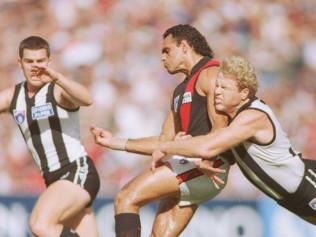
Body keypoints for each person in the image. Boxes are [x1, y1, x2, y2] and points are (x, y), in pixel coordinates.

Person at [91, 24, 233, 237]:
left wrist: (208, 158)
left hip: (207, 166)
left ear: (184, 46)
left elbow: (221, 124)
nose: (163, 58)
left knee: (126, 197)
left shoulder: (210, 73)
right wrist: (114, 142)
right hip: (196, 168)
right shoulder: (179, 91)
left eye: (167, 50)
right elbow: (163, 140)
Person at [152, 55, 316, 225]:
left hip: (308, 186)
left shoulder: (252, 117)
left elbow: (208, 147)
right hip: (293, 197)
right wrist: (182, 143)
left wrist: (167, 147)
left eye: (225, 87)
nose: (217, 91)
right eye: (217, 86)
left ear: (244, 93)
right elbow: (207, 143)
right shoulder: (234, 118)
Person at [0, 36, 100, 237]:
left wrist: (57, 77)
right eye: (30, 61)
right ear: (20, 63)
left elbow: (87, 99)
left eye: (40, 61)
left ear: (49, 62)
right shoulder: (14, 96)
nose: (35, 67)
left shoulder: (56, 90)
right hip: (54, 181)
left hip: (76, 171)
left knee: (39, 224)